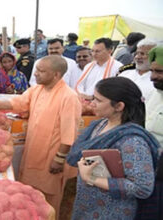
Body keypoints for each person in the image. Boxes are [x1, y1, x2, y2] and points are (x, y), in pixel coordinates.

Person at [0, 55, 81, 218]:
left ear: (56, 75)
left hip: (51, 157)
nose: (35, 74)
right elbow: (17, 103)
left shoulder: (69, 97)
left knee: (48, 198)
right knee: (27, 194)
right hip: (33, 152)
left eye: (41, 71)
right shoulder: (37, 89)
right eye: (37, 70)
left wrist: (59, 158)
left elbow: (69, 133)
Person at [67, 77, 159, 220]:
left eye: (98, 100)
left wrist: (93, 178)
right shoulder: (100, 125)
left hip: (111, 211)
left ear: (119, 106)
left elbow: (142, 187)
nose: (92, 104)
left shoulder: (132, 142)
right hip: (87, 206)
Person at [135, 45, 163, 220]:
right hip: (147, 171)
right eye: (152, 71)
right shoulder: (155, 93)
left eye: (159, 71)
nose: (153, 77)